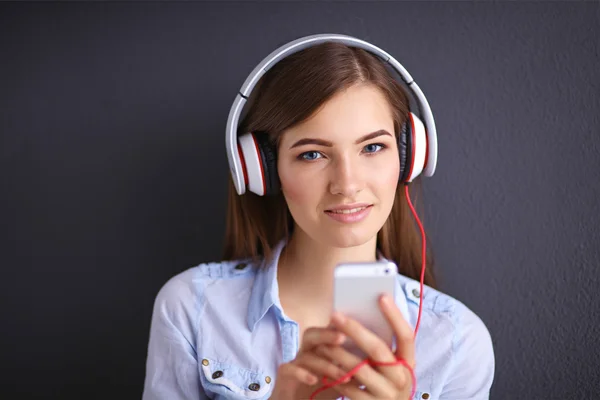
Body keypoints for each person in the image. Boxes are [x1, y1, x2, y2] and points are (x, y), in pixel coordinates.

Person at [142, 35, 495, 400]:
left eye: (373, 147)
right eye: (312, 154)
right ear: (263, 169)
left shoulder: (457, 342)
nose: (347, 184)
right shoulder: (192, 310)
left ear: (409, 158)